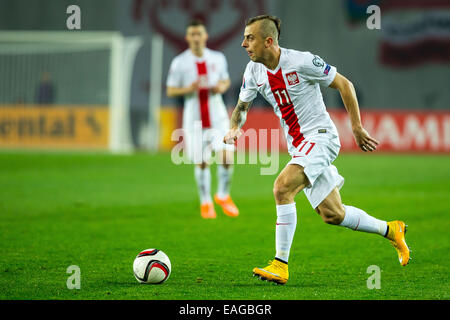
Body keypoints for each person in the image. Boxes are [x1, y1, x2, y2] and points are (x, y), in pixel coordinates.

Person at [224, 15, 410, 285]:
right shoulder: (253, 72)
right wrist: (234, 128)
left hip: (321, 138)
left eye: (249, 38)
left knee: (282, 187)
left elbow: (344, 84)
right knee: (333, 213)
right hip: (299, 147)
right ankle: (391, 229)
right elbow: (241, 108)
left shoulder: (302, 62)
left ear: (268, 41)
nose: (243, 44)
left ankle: (280, 264)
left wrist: (356, 127)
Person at [167, 19, 239, 219]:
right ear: (187, 37)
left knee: (226, 157)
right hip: (194, 120)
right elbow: (171, 90)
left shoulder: (217, 58)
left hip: (217, 117)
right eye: (193, 34)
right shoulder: (180, 62)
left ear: (205, 36)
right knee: (202, 162)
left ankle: (223, 195)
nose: (196, 38)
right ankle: (206, 202)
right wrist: (188, 88)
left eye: (199, 34)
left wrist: (222, 87)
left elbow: (225, 80)